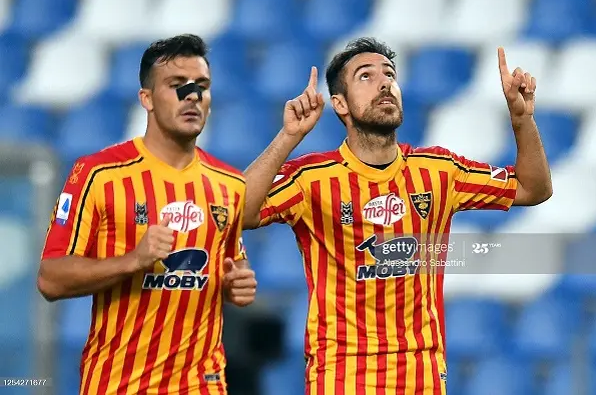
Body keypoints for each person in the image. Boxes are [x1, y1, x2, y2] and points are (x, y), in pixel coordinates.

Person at [242, 37, 552, 394]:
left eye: (389, 74)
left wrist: (521, 120)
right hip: (342, 375)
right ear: (339, 104)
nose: (384, 82)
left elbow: (533, 189)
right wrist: (288, 136)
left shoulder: (439, 170)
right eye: (365, 76)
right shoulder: (312, 178)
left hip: (422, 375)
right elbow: (242, 213)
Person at [37, 34, 257, 395]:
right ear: (147, 99)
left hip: (202, 385)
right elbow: (50, 279)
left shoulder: (229, 183)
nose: (192, 96)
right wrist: (133, 260)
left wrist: (238, 283)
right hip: (118, 384)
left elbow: (231, 265)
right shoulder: (98, 174)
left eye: (201, 86)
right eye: (177, 85)